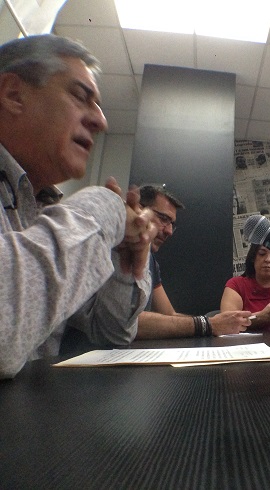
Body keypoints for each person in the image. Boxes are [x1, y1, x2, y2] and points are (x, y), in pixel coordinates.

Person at [0, 35, 157, 379]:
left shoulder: (46, 206)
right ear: (13, 94)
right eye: (80, 96)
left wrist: (126, 264)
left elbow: (113, 333)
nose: (101, 121)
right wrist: (107, 208)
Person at [135, 185, 252, 339]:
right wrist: (208, 324)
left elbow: (169, 314)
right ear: (138, 210)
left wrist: (215, 323)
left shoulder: (151, 262)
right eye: (163, 219)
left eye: (172, 224)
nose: (169, 231)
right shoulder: (114, 251)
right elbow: (126, 322)